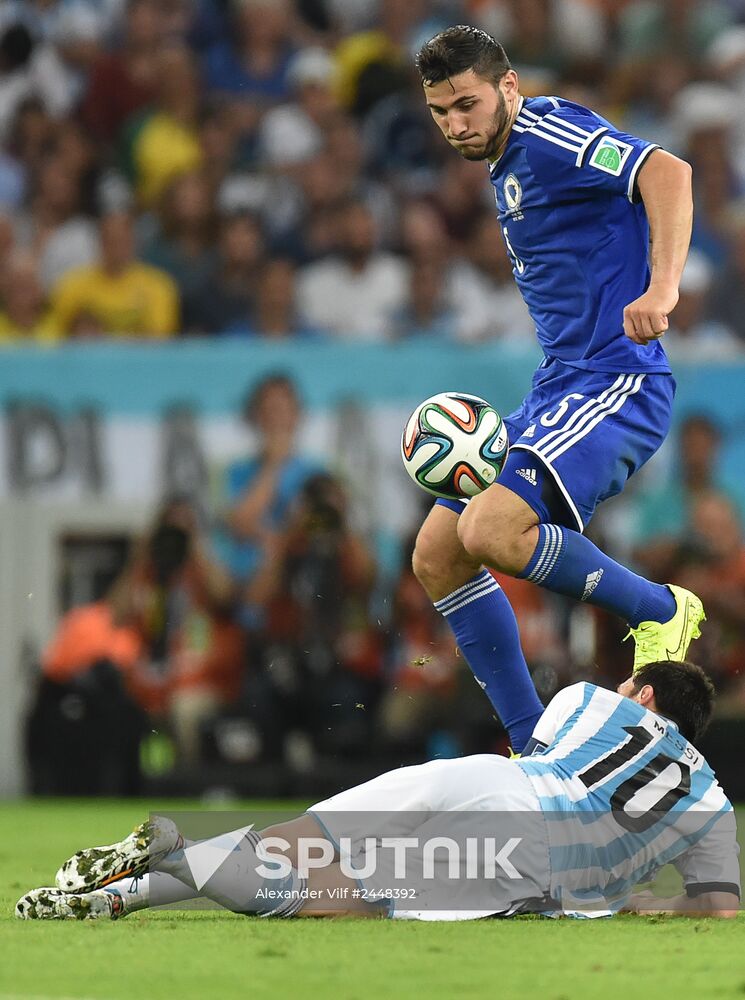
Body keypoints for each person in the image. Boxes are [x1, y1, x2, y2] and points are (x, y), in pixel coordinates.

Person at [406, 25, 705, 756]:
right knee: (438, 554)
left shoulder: (546, 128)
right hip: (561, 385)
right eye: (440, 112)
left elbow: (667, 173)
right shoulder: (503, 158)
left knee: (489, 531)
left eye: (467, 104)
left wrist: (661, 287)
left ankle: (660, 609)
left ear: (507, 87)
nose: (455, 124)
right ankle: (531, 745)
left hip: (617, 381)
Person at [15, 658, 740, 920]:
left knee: (292, 842)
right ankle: (175, 856)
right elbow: (716, 910)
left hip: (479, 774)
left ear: (641, 696)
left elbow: (547, 755)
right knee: (347, 899)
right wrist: (648, 899)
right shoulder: (707, 796)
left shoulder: (589, 699)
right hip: (525, 847)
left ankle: (119, 895)